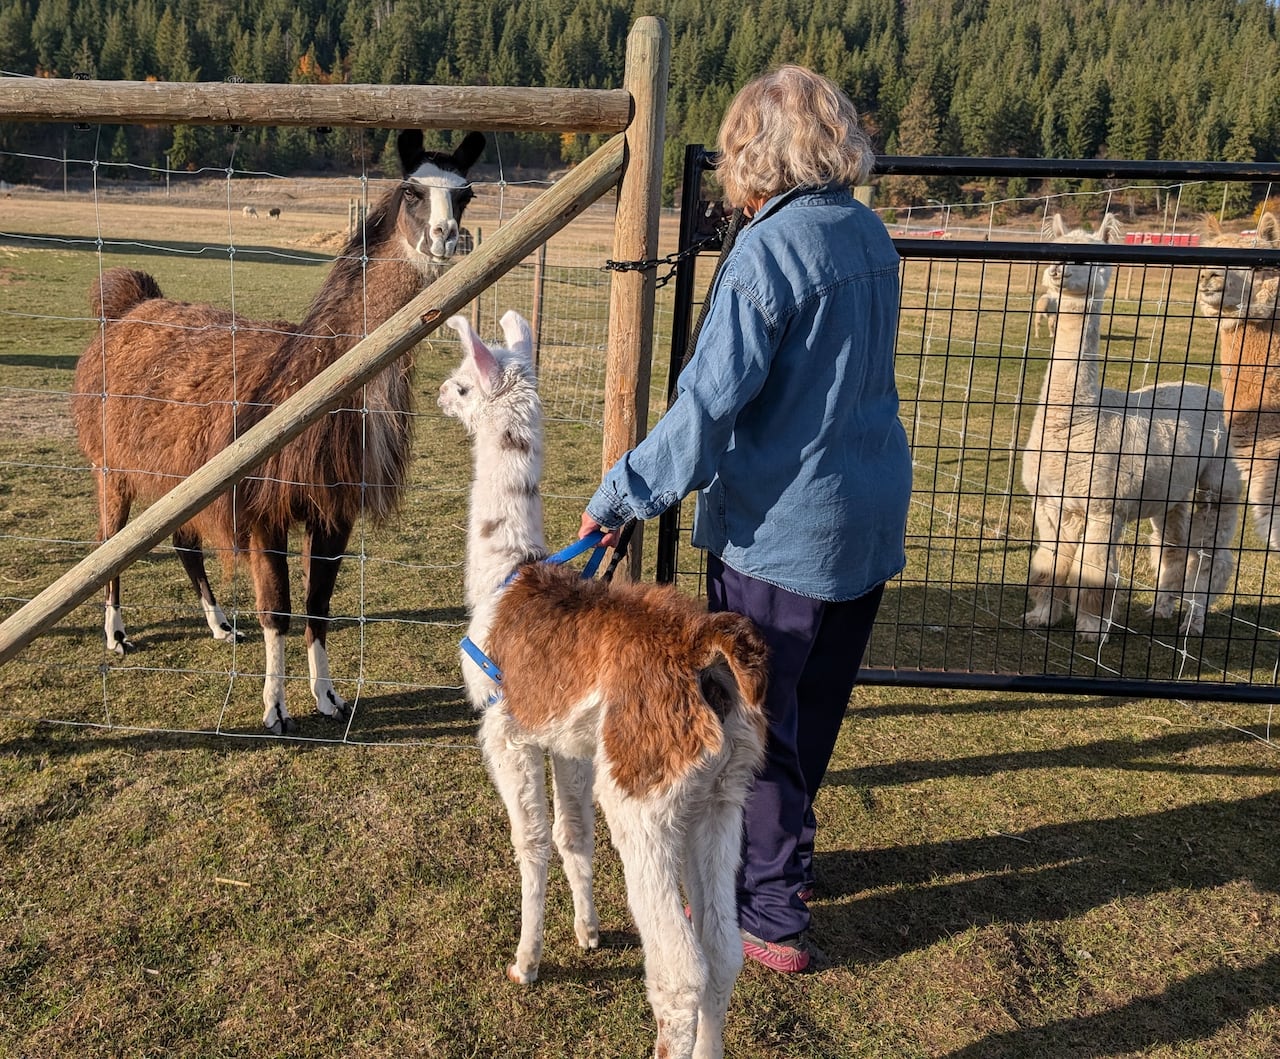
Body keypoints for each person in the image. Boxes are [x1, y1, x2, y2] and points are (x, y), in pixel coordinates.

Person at [580, 64, 912, 973]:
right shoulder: (869, 233)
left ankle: (768, 910)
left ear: (753, 155)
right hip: (868, 522)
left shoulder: (766, 255)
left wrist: (619, 493)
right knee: (814, 708)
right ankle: (784, 869)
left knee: (756, 729)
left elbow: (704, 412)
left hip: (783, 535)